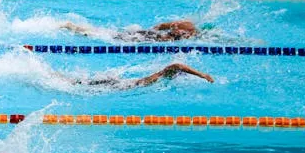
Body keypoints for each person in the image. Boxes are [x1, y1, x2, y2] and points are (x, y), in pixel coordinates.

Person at [56, 63, 214, 90]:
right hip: (121, 86)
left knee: (79, 82)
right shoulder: (159, 76)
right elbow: (177, 66)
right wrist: (202, 75)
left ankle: (58, 76)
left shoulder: (158, 78)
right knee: (78, 84)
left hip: (120, 83)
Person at [61, 19, 199, 42]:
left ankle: (73, 26)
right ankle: (72, 27)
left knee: (107, 33)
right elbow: (163, 25)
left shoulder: (182, 30)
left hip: (140, 34)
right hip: (138, 36)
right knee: (105, 35)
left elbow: (162, 25)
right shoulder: (167, 37)